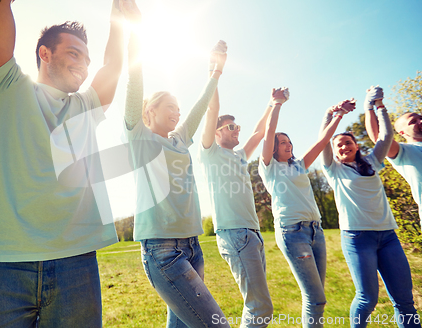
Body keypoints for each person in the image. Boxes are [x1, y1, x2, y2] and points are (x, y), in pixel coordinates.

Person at [0, 1, 139, 327]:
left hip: (75, 264)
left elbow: (111, 65)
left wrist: (117, 16)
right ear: (45, 54)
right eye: (74, 53)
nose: (83, 65)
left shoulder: (85, 107)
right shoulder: (6, 86)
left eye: (86, 58)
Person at [123, 28, 230, 327]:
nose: (177, 112)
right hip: (163, 250)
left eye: (177, 109)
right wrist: (135, 45)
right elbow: (134, 87)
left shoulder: (179, 139)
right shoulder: (139, 137)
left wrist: (215, 72)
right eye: (170, 107)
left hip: (192, 246)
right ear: (150, 111)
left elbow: (199, 106)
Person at [321, 90, 421, 328]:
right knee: (367, 298)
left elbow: (385, 136)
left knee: (405, 300)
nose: (343, 146)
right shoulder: (333, 169)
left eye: (347, 142)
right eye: (339, 145)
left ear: (356, 146)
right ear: (334, 152)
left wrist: (380, 106)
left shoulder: (372, 162)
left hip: (388, 237)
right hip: (357, 238)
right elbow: (322, 140)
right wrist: (329, 115)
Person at [259, 90, 352, 328]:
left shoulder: (299, 165)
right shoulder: (269, 168)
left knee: (317, 298)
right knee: (316, 298)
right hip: (293, 233)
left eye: (289, 141)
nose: (287, 144)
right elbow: (269, 132)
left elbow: (322, 142)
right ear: (272, 149)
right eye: (282, 143)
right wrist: (277, 103)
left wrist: (338, 116)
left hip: (316, 232)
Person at [198, 84, 275, 327]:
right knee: (260, 307)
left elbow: (259, 132)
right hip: (235, 235)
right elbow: (212, 110)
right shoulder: (210, 153)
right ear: (217, 132)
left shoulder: (239, 155)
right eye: (231, 127)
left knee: (256, 305)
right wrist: (216, 72)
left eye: (237, 126)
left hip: (252, 235)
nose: (236, 130)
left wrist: (272, 103)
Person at [363, 85, 422, 227]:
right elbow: (380, 137)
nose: (420, 121)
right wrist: (370, 107)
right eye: (413, 122)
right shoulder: (405, 151)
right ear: (402, 133)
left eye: (420, 118)